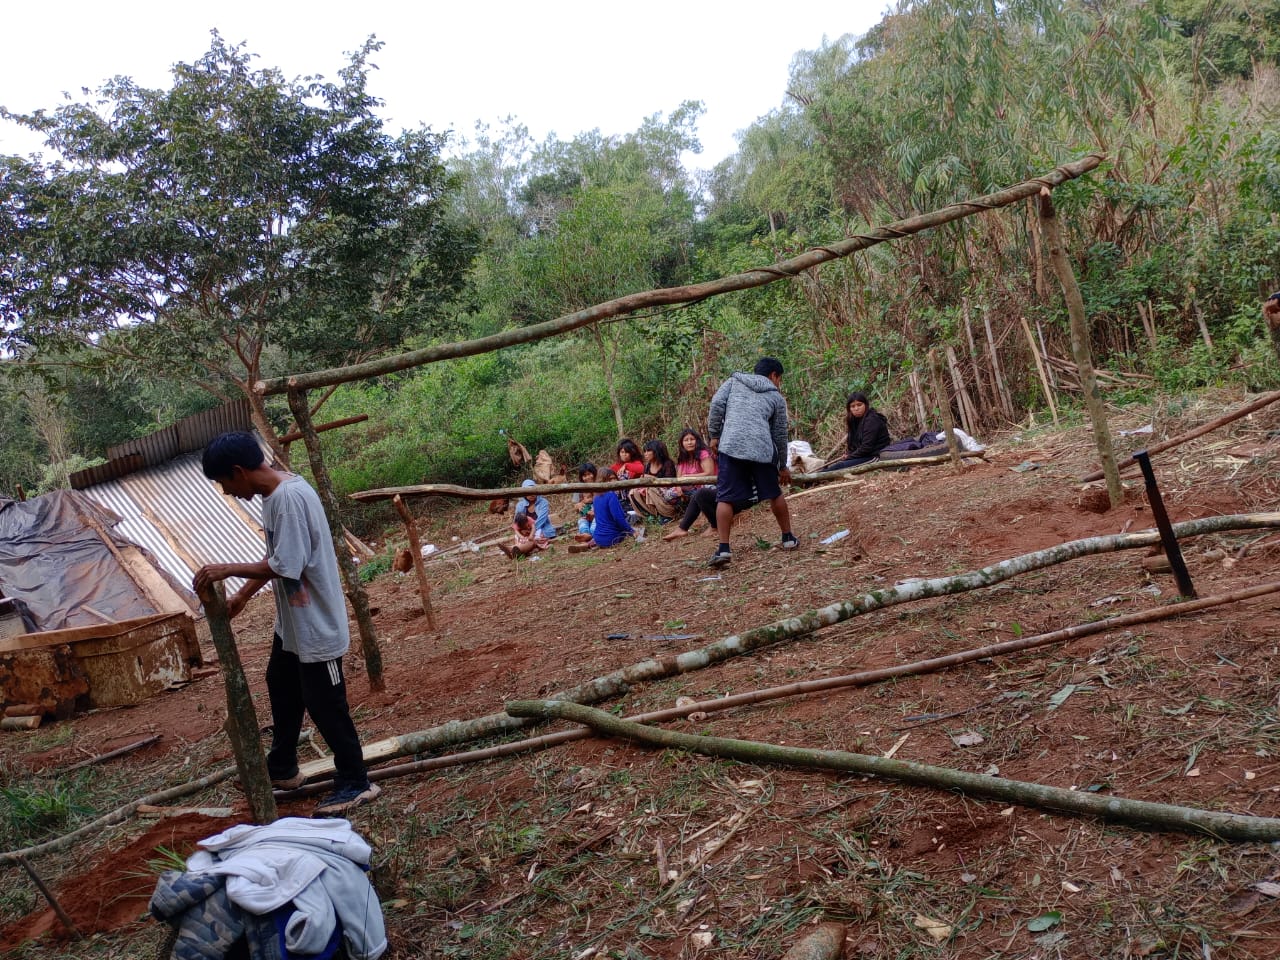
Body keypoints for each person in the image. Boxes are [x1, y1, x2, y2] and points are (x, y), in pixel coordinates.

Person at [191, 432, 379, 817]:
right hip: (293, 624)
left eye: (226, 483)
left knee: (326, 704)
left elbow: (286, 565)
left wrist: (226, 569)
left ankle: (355, 780)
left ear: (239, 471)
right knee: (281, 684)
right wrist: (243, 594)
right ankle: (283, 767)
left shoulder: (289, 499)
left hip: (317, 625)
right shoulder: (273, 496)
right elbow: (276, 555)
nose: (228, 492)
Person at [705, 356, 798, 567]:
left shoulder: (733, 382)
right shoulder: (776, 397)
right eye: (779, 378)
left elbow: (716, 405)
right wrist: (782, 465)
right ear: (774, 375)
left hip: (731, 446)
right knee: (774, 493)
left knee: (725, 498)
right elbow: (780, 434)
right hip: (761, 449)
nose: (778, 383)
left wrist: (714, 435)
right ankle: (788, 538)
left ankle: (724, 548)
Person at [820, 392, 891, 472]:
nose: (856, 409)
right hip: (864, 456)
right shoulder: (855, 421)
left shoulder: (872, 420)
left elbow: (866, 448)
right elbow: (855, 445)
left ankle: (812, 479)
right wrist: (849, 454)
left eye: (859, 405)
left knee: (840, 466)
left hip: (875, 456)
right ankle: (811, 479)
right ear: (849, 408)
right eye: (853, 406)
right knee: (838, 465)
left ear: (865, 405)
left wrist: (850, 456)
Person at [569, 467, 634, 552]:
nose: (613, 481)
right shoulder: (611, 495)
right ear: (603, 481)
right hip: (612, 538)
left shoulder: (596, 496)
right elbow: (618, 518)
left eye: (614, 478)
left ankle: (588, 544)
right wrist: (632, 531)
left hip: (598, 538)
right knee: (634, 529)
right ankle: (589, 544)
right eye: (610, 479)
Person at [629, 439, 682, 521]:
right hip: (650, 493)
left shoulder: (667, 463)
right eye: (645, 451)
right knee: (633, 492)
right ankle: (650, 515)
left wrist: (652, 478)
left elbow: (669, 483)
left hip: (667, 495)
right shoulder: (647, 466)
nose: (645, 454)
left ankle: (666, 514)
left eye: (648, 451)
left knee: (651, 489)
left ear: (657, 451)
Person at [574, 462, 597, 542]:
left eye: (589, 474)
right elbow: (576, 506)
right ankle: (585, 534)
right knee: (582, 522)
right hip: (585, 516)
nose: (587, 477)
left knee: (595, 524)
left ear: (594, 473)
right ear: (581, 477)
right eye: (584, 475)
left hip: (598, 516)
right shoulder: (579, 488)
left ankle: (590, 537)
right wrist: (579, 505)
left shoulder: (600, 485)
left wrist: (595, 512)